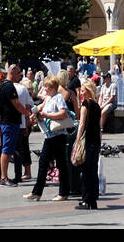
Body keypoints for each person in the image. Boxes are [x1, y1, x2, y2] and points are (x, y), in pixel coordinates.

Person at [28, 76, 73, 202]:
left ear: (53, 88)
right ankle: (37, 192)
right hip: (49, 135)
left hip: (58, 135)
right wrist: (33, 113)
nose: (44, 89)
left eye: (47, 86)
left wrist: (46, 115)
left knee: (59, 163)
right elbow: (40, 107)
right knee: (44, 163)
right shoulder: (49, 98)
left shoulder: (58, 98)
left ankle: (63, 192)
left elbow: (63, 113)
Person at [0, 64, 31, 185]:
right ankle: (4, 177)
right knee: (7, 149)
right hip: (10, 122)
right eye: (19, 72)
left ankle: (3, 175)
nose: (20, 75)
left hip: (7, 121)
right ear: (12, 72)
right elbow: (17, 104)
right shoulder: (9, 87)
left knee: (8, 149)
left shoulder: (3, 85)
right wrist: (27, 114)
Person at [72, 80, 102, 210]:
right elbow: (99, 126)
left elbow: (82, 123)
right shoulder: (96, 105)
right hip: (96, 141)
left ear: (88, 91)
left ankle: (85, 199)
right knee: (93, 171)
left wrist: (77, 140)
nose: (81, 92)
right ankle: (93, 200)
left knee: (85, 171)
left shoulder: (86, 104)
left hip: (87, 140)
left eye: (83, 90)